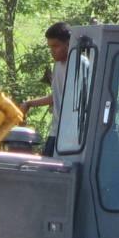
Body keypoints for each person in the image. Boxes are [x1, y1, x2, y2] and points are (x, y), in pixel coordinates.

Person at [21, 22, 70, 156]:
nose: (52, 51)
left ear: (68, 44)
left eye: (56, 46)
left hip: (70, 137)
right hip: (55, 132)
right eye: (50, 47)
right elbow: (56, 96)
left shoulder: (79, 65)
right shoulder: (57, 66)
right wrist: (29, 103)